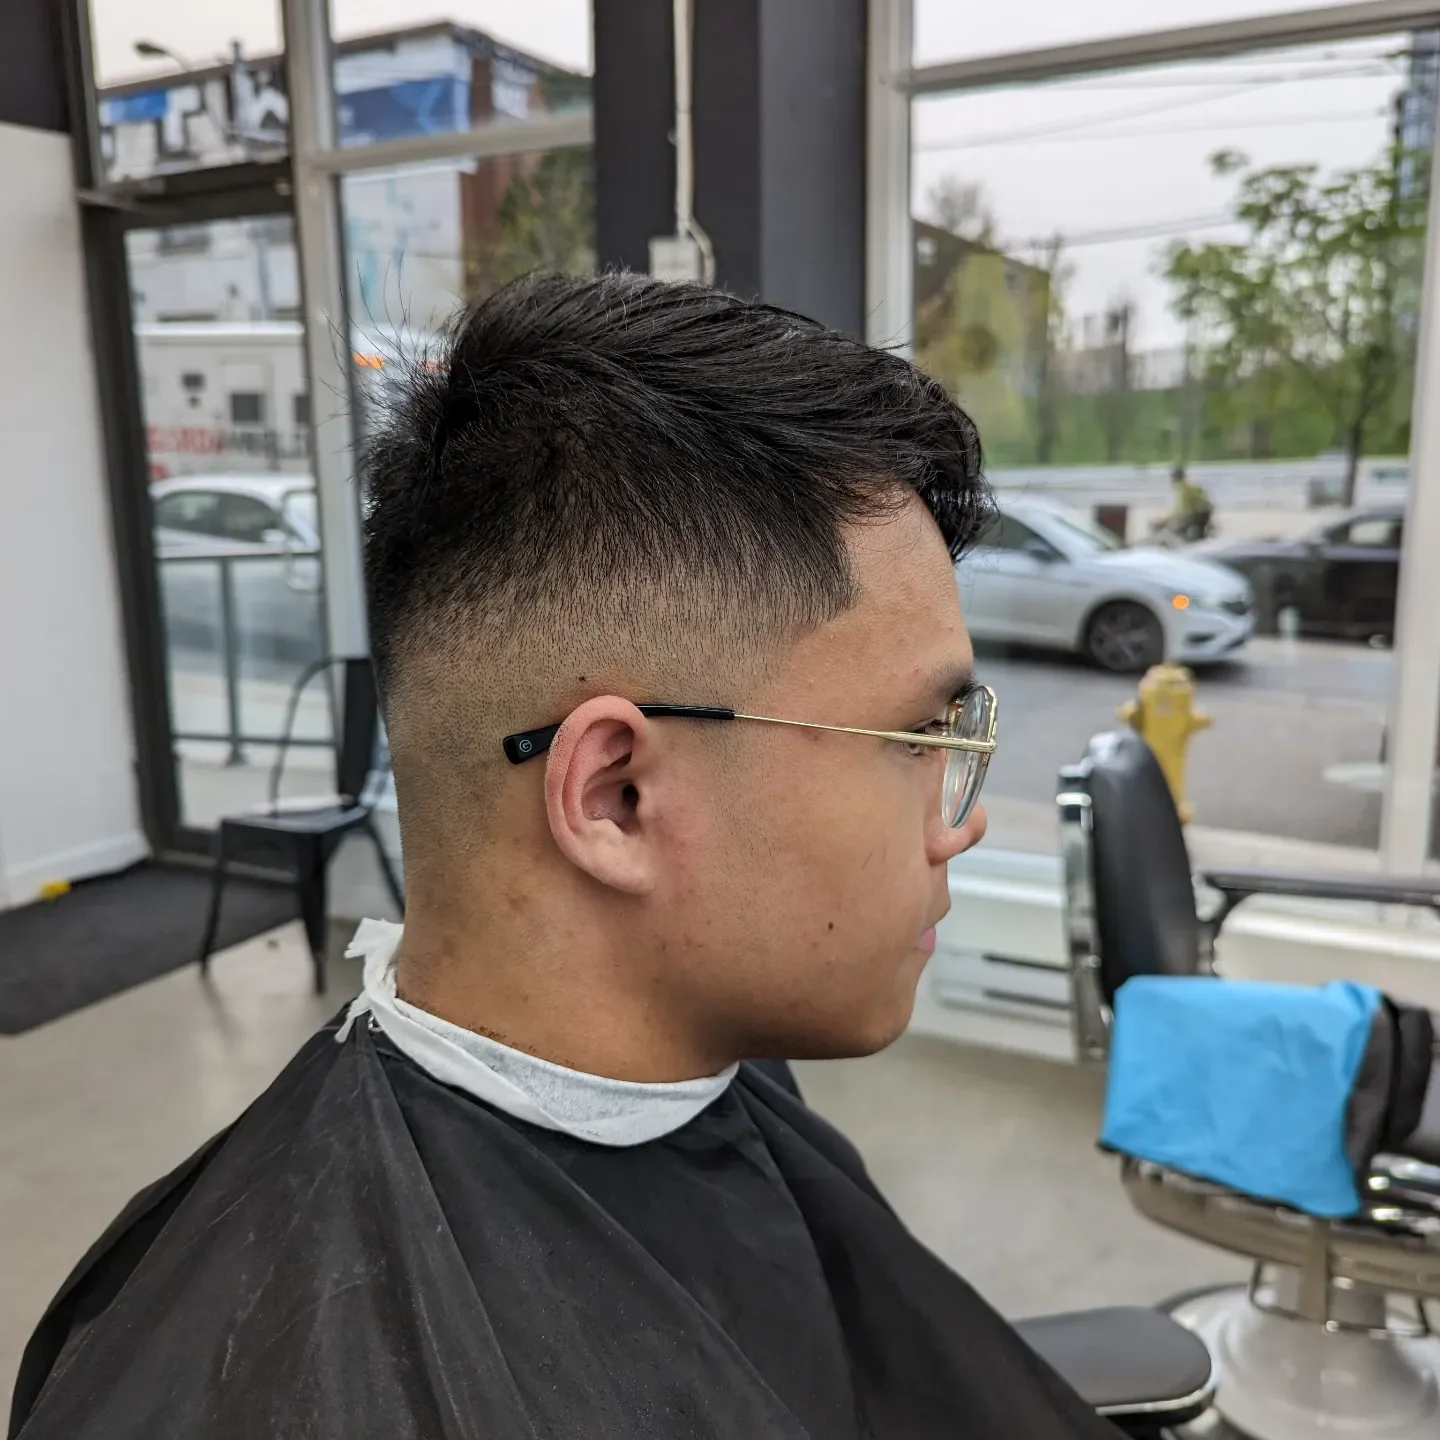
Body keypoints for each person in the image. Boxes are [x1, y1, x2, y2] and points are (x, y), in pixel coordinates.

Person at [10, 274, 1122, 1439]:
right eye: (918, 738)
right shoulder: (260, 1380)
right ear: (616, 797)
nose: (958, 821)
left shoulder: (715, 1069)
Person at [1156, 464, 1213, 543]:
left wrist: (1165, 520)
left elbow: (1182, 510)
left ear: (1174, 478)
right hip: (1202, 518)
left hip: (1192, 518)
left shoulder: (1182, 490)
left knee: (1170, 529)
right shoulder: (1192, 488)